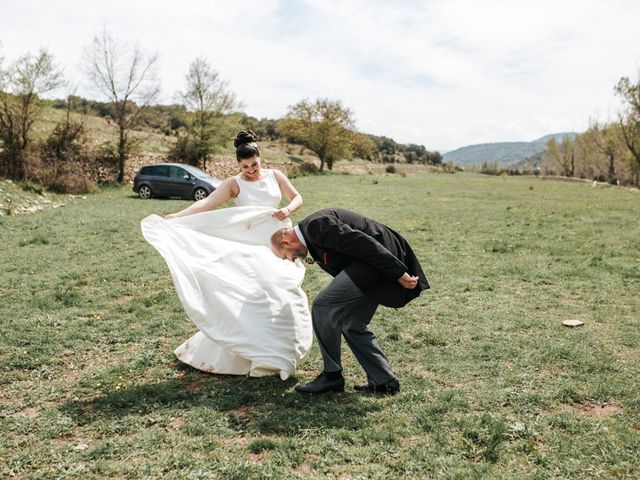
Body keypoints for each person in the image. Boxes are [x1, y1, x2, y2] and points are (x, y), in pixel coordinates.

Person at [140, 131, 312, 380]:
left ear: (260, 158)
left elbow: (297, 197)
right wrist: (177, 217)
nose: (251, 170)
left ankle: (282, 349)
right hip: (251, 246)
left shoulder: (276, 175)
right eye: (245, 167)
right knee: (256, 298)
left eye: (255, 165)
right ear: (238, 164)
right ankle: (251, 351)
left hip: (279, 243)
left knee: (284, 292)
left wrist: (286, 208)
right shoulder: (234, 183)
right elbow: (207, 204)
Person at [270, 208, 429, 394]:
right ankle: (384, 381)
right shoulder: (311, 236)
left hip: (377, 258)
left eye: (285, 256)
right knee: (352, 322)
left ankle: (332, 376)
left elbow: (364, 244)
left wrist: (397, 273)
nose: (291, 260)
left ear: (286, 241)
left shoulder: (316, 226)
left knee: (322, 305)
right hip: (369, 263)